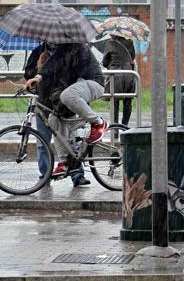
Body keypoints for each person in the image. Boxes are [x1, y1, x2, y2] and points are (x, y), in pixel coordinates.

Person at [24, 42, 107, 178]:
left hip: (89, 83)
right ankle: (64, 163)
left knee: (67, 96)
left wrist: (41, 74)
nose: (50, 39)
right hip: (55, 98)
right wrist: (38, 72)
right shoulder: (41, 51)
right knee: (53, 120)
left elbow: (58, 63)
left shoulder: (73, 46)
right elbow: (47, 67)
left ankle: (98, 122)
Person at [101, 35, 136, 126]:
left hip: (115, 74)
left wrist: (112, 64)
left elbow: (104, 62)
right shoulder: (130, 42)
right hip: (129, 74)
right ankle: (125, 126)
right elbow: (132, 57)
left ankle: (115, 127)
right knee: (128, 101)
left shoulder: (110, 43)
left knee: (114, 101)